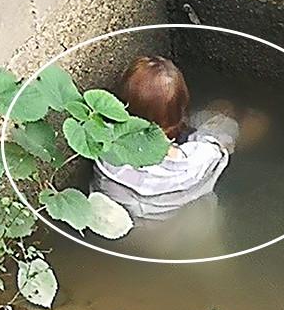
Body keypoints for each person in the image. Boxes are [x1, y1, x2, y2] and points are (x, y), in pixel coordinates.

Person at [91, 56, 238, 220]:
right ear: (181, 109)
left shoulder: (107, 158)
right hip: (191, 229)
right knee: (227, 110)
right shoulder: (196, 160)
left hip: (130, 234)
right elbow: (223, 138)